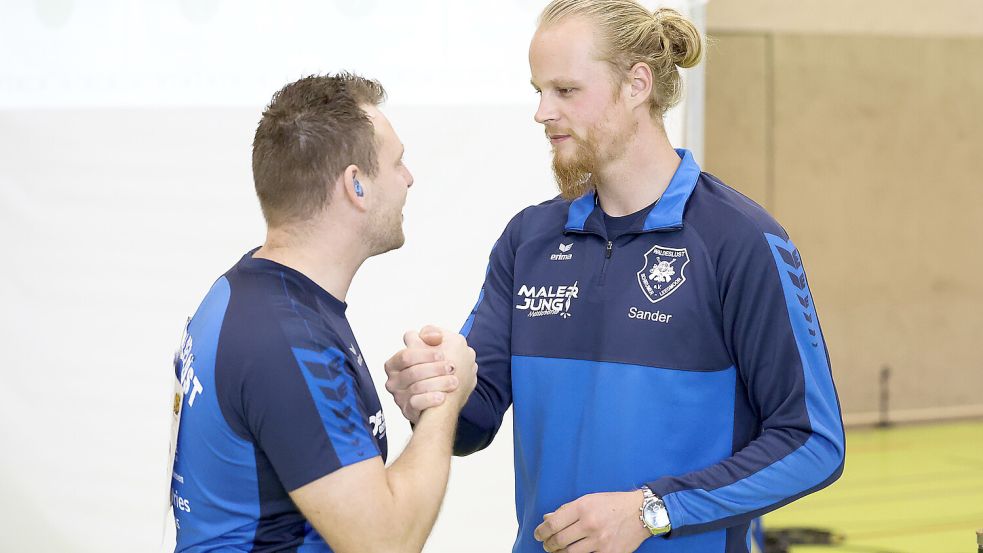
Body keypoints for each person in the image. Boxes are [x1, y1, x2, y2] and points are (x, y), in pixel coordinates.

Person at [383, 2, 845, 552]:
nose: (542, 112)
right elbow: (473, 422)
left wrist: (653, 512)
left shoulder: (741, 242)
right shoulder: (527, 240)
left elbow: (813, 443)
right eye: (538, 90)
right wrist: (431, 395)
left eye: (566, 91)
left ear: (637, 85)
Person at [169, 73, 477, 553]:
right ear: (356, 184)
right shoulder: (286, 341)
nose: (409, 178)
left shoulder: (246, 290)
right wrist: (445, 397)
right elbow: (386, 542)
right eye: (397, 163)